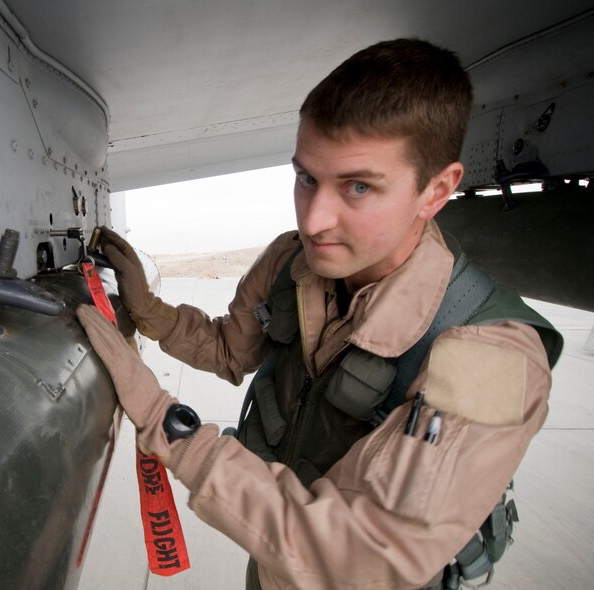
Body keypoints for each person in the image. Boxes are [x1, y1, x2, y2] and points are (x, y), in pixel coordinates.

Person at [76, 38, 562, 590]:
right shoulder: (294, 261)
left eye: (358, 186)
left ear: (436, 191)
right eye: (307, 178)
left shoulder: (491, 355)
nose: (314, 219)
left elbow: (359, 558)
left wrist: (164, 420)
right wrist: (151, 311)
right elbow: (232, 350)